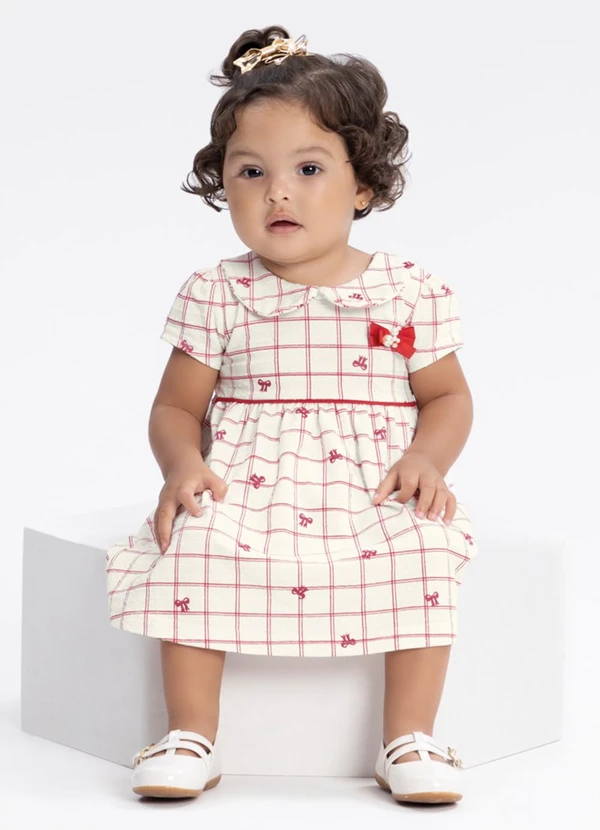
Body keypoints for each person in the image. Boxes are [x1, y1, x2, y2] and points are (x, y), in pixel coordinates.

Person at [105, 25, 479, 805]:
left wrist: (427, 460)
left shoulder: (407, 291)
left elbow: (447, 396)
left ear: (363, 184)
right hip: (247, 481)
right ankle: (190, 734)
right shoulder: (219, 292)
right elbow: (177, 405)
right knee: (195, 545)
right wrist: (183, 466)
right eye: (252, 172)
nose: (278, 192)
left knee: (421, 549)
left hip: (374, 483)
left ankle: (409, 736)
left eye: (308, 169)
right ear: (223, 185)